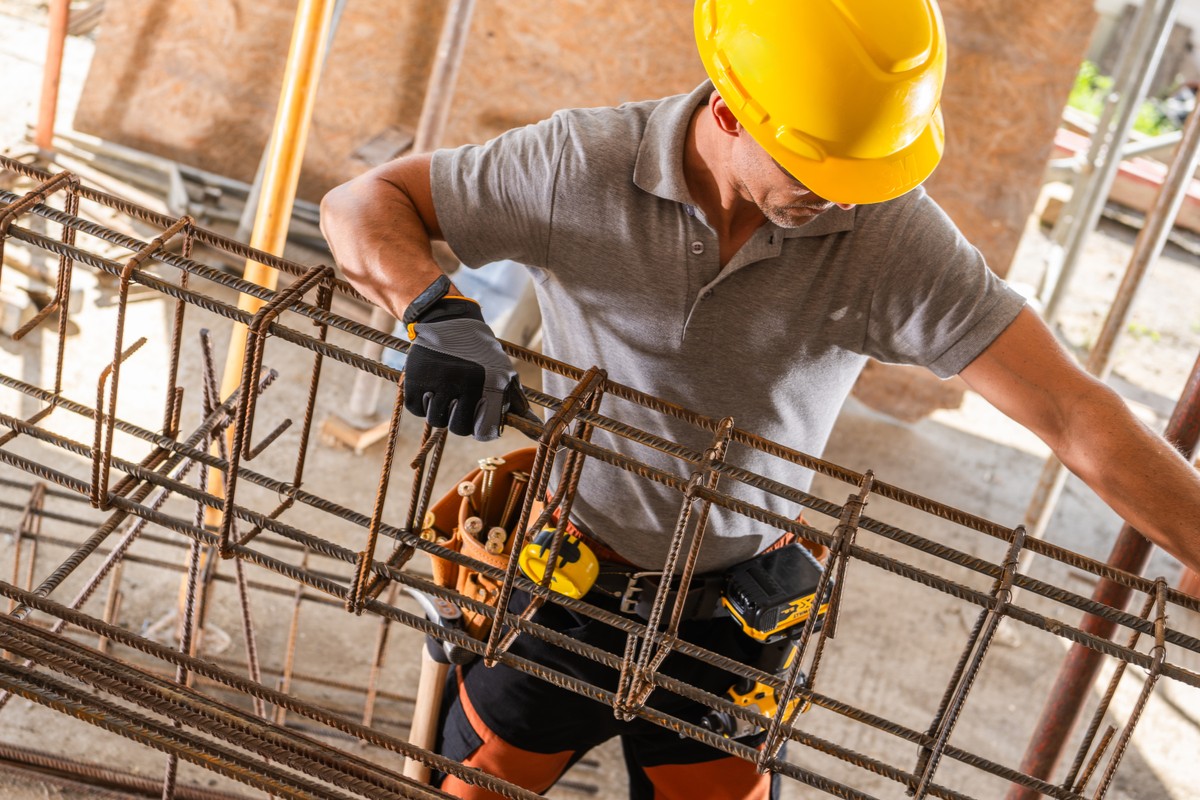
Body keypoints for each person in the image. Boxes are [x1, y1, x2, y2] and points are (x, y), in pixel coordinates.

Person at [321, 1, 1200, 797]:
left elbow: (1071, 409)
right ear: (729, 108)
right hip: (564, 576)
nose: (842, 191)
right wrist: (434, 307)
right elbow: (366, 201)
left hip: (735, 613)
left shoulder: (886, 230)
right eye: (818, 163)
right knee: (474, 786)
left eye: (864, 167)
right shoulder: (580, 166)